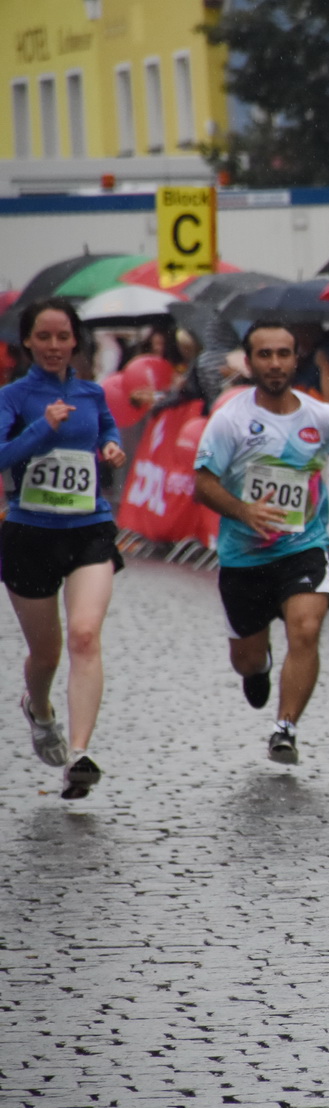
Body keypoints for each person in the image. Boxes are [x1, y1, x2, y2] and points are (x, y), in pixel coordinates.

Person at [193, 321, 329, 765]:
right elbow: (203, 484)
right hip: (243, 555)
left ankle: (285, 728)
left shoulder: (324, 418)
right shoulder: (230, 420)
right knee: (246, 661)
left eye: (283, 354)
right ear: (249, 363)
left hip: (301, 546)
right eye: (264, 355)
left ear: (296, 358)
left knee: (306, 629)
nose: (275, 363)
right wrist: (245, 511)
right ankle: (261, 667)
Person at [0, 298, 127, 799]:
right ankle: (40, 707)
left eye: (63, 337)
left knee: (84, 635)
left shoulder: (92, 393)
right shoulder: (13, 396)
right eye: (44, 337)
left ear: (76, 341)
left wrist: (112, 449)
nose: (54, 346)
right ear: (28, 341)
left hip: (88, 528)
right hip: (30, 532)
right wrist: (42, 428)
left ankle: (79, 753)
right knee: (47, 652)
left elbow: (108, 432)